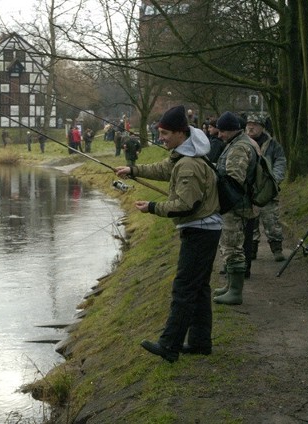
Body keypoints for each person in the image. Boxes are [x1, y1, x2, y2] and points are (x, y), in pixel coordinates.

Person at [115, 105, 221, 362]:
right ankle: (199, 342)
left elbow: (185, 205)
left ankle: (169, 345)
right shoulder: (184, 155)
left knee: (184, 289)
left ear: (180, 133)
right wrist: (134, 170)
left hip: (200, 230)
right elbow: (164, 169)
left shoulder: (188, 164)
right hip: (204, 228)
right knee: (199, 288)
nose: (160, 138)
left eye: (164, 133)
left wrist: (152, 207)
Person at [212, 111, 258, 305]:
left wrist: (215, 177)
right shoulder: (236, 143)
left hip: (235, 207)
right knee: (229, 245)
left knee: (233, 247)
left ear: (231, 130)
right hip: (234, 206)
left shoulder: (239, 148)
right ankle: (230, 285)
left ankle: (236, 292)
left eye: (222, 131)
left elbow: (234, 181)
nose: (219, 134)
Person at [245, 113, 287, 262]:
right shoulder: (242, 144)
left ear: (262, 127)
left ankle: (277, 249)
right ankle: (251, 250)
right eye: (249, 123)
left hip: (268, 191)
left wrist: (274, 180)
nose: (250, 126)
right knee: (250, 222)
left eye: (255, 124)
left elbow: (280, 162)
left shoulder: (273, 145)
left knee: (271, 220)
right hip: (248, 191)